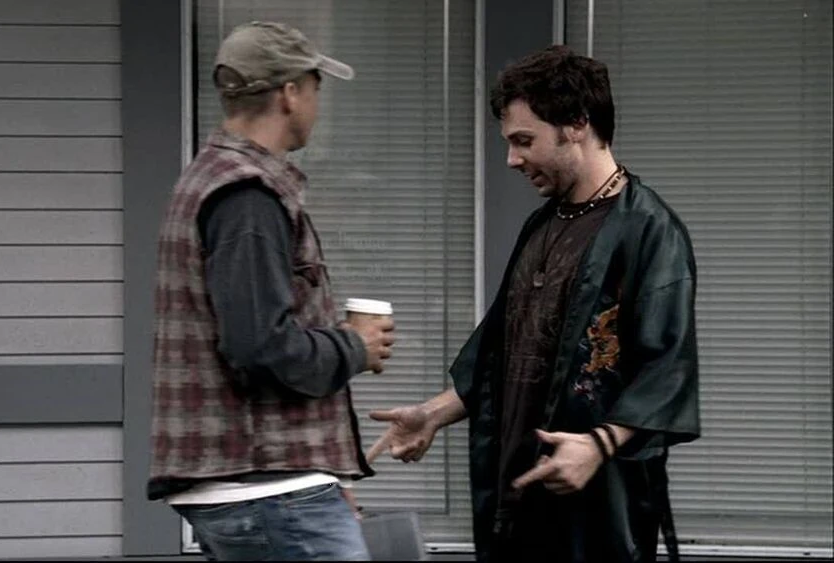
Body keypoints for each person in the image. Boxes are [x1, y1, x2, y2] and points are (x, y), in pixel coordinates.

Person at [366, 45, 700, 562]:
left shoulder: (648, 230)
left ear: (577, 124)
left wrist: (598, 444)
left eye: (524, 141)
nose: (512, 159)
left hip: (595, 514)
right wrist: (431, 414)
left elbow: (667, 369)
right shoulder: (542, 224)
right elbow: (503, 352)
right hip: (517, 499)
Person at [146, 21, 395, 561]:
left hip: (267, 486)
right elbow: (259, 346)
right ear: (290, 93)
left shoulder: (214, 179)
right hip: (268, 490)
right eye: (316, 88)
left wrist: (323, 476)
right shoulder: (247, 198)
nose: (317, 105)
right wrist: (355, 346)